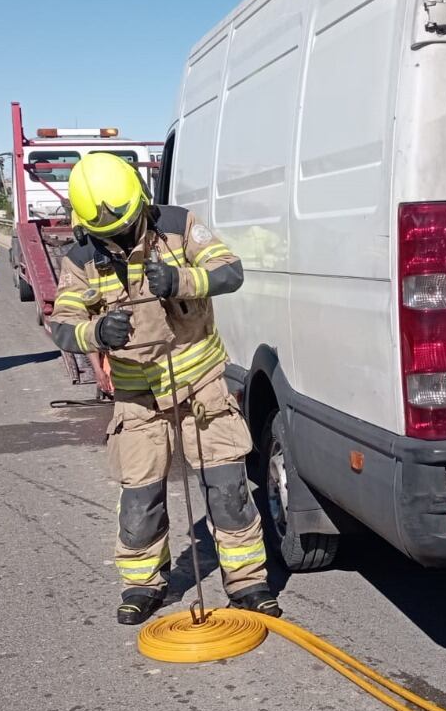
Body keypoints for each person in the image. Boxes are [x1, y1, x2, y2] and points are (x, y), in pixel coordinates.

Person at [48, 152, 280, 624]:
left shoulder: (177, 226)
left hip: (202, 387)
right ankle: (143, 584)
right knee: (141, 498)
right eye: (106, 234)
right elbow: (62, 324)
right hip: (139, 398)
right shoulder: (81, 259)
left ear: (141, 204)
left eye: (126, 226)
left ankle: (248, 582)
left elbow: (230, 270)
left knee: (227, 488)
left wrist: (181, 279)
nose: (118, 238)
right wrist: (95, 334)